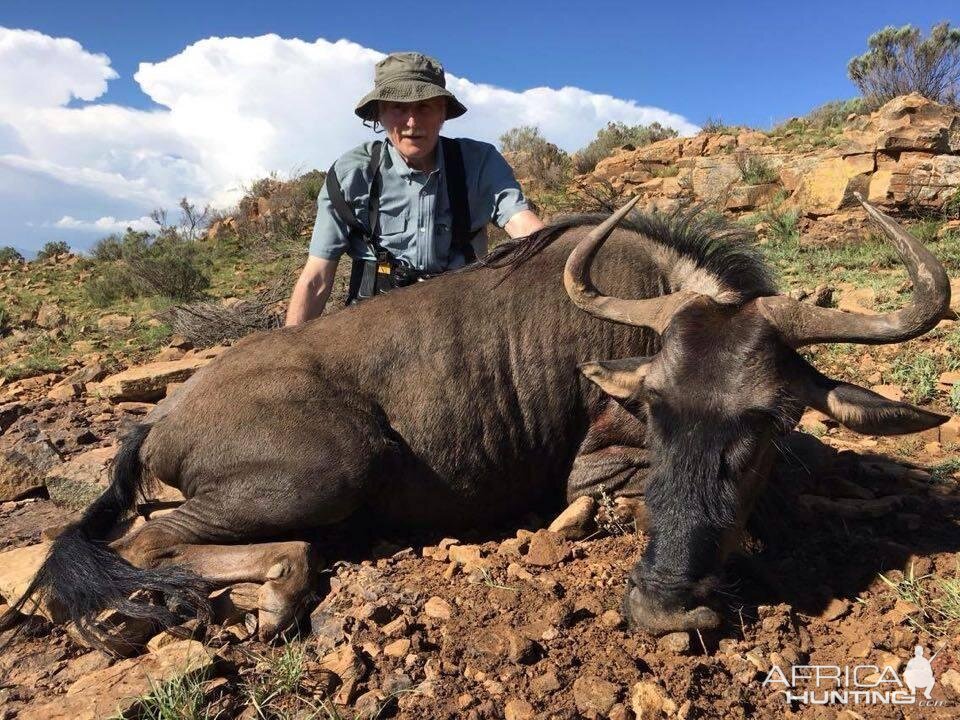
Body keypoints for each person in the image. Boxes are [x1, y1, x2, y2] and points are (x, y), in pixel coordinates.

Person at [285, 52, 544, 325]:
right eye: (398, 107)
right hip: (372, 327)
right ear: (379, 114)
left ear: (443, 112)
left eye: (424, 107)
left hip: (464, 323)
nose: (412, 122)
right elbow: (317, 278)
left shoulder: (480, 164)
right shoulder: (351, 175)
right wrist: (286, 356)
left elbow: (527, 230)